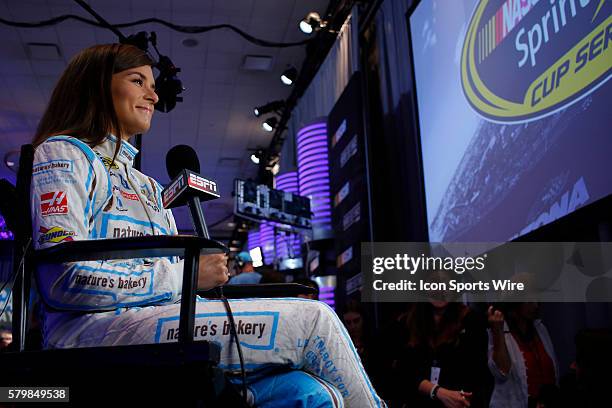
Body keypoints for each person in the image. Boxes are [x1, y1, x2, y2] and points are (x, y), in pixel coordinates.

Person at [30, 43, 384, 407]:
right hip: (86, 334)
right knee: (315, 323)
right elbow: (62, 280)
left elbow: (174, 285)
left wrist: (195, 278)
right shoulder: (63, 153)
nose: (153, 94)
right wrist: (187, 276)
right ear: (97, 86)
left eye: (152, 84)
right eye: (137, 81)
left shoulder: (150, 188)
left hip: (156, 325)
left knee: (309, 394)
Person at [373, 301, 490, 408]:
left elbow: (478, 374)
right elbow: (401, 372)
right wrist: (436, 391)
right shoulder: (407, 322)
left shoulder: (471, 321)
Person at [488, 303, 558, 408]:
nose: (535, 305)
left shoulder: (540, 328)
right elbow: (501, 372)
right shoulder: (501, 332)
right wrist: (498, 331)